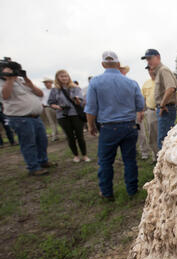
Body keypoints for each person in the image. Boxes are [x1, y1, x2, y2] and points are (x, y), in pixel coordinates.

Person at [85, 51, 145, 201]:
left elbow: (91, 108)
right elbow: (140, 105)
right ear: (118, 64)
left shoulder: (95, 82)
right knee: (130, 159)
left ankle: (106, 192)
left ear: (103, 64)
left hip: (108, 127)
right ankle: (132, 189)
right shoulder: (131, 83)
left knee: (105, 162)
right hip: (129, 126)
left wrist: (90, 125)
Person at [0, 64, 54, 175]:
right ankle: (33, 167)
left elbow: (40, 93)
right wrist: (9, 79)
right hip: (20, 118)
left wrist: (28, 81)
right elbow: (5, 96)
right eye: (10, 69)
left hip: (35, 117)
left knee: (42, 140)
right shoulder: (2, 83)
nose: (14, 71)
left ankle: (43, 161)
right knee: (28, 143)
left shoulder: (20, 81)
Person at [48, 70, 90, 163]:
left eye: (66, 76)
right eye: (62, 76)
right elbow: (50, 102)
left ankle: (84, 155)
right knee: (70, 136)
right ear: (57, 78)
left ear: (69, 77)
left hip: (75, 114)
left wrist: (77, 100)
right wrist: (57, 106)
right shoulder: (54, 90)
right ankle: (75, 155)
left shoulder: (75, 88)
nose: (64, 78)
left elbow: (81, 101)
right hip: (62, 115)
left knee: (80, 135)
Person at [141, 49, 177, 150]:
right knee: (166, 140)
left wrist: (162, 105)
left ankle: (167, 165)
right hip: (164, 109)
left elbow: (170, 88)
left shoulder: (163, 70)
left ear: (158, 57)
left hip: (166, 109)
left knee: (163, 141)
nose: (148, 62)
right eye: (147, 60)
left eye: (150, 58)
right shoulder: (159, 72)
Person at [139, 65, 158, 163]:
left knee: (165, 134)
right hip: (151, 112)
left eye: (152, 69)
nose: (151, 71)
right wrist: (141, 111)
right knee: (152, 135)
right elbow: (142, 99)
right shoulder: (146, 84)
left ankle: (167, 156)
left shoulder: (162, 80)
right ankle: (155, 157)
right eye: (149, 70)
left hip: (163, 111)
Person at [41, 77, 59, 141]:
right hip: (47, 107)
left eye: (47, 82)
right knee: (52, 122)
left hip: (56, 107)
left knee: (60, 121)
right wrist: (42, 104)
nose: (46, 84)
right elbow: (41, 99)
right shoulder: (42, 90)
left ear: (51, 83)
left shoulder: (55, 89)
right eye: (45, 82)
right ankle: (55, 136)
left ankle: (67, 134)